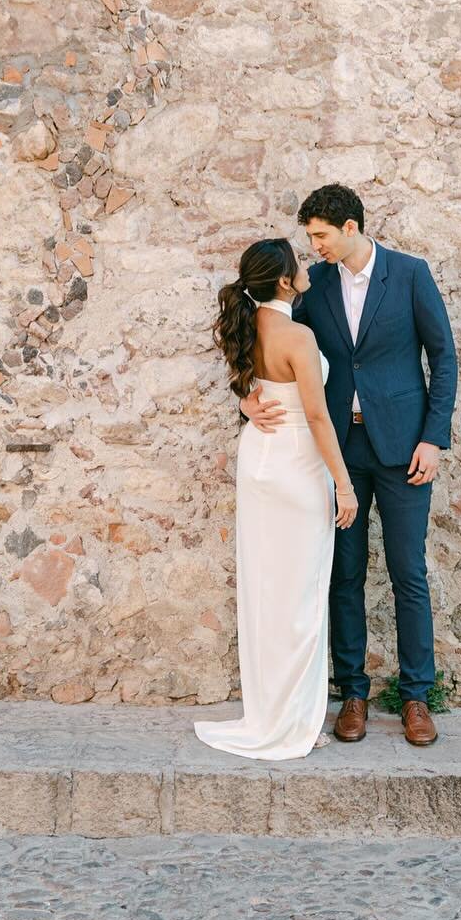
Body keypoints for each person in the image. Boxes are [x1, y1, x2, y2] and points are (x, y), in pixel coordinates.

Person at [242, 185, 457, 747]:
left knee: (409, 571)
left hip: (406, 449)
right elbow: (264, 335)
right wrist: (245, 394)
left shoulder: (410, 275)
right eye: (311, 238)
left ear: (351, 228)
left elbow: (444, 355)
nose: (313, 248)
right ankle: (353, 692)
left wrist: (434, 438)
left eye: (320, 236)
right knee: (345, 574)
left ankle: (416, 696)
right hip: (338, 452)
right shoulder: (316, 289)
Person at [194, 237, 359, 761]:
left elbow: (252, 386)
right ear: (286, 281)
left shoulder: (246, 326)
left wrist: (246, 402)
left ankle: (271, 711)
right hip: (294, 465)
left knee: (266, 591)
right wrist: (345, 483)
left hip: (258, 461)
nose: (306, 265)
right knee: (302, 594)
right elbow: (315, 416)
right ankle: (291, 722)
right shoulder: (298, 335)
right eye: (298, 262)